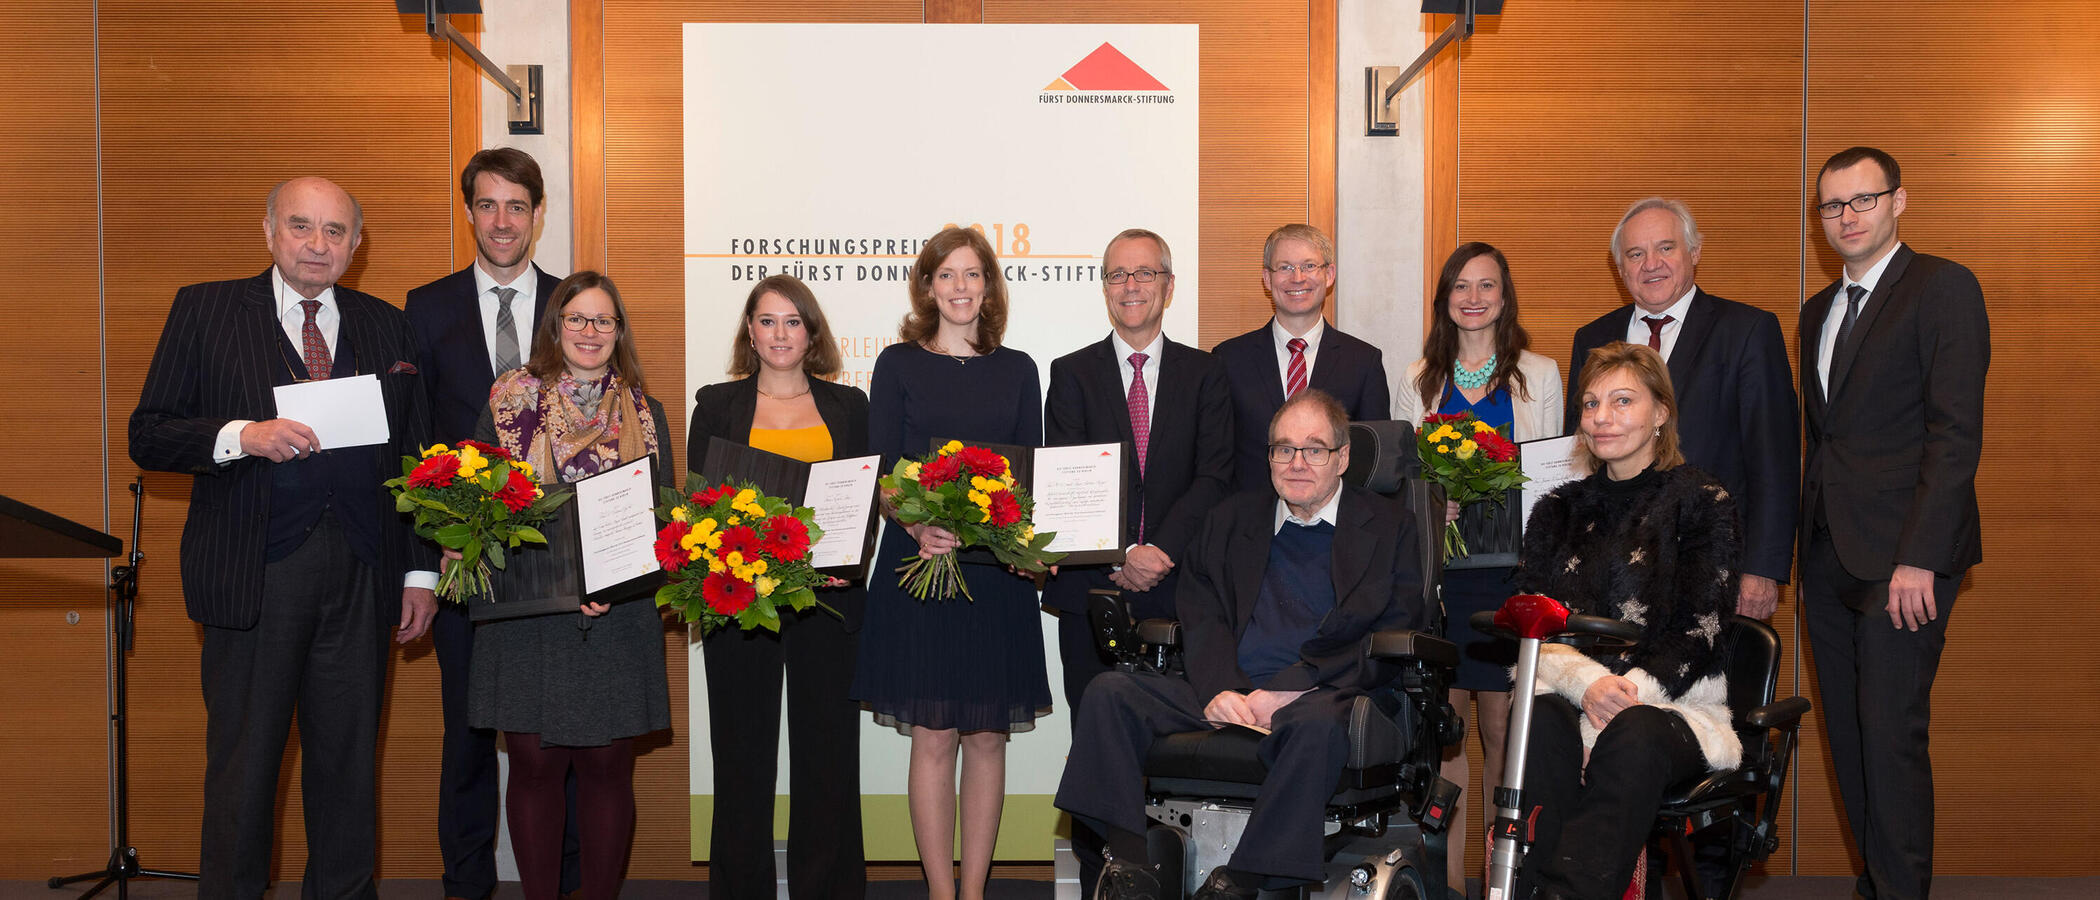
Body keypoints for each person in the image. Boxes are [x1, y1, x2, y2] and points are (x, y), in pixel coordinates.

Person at [127, 176, 438, 900]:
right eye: (302, 226)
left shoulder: (387, 324)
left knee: (347, 767)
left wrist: (420, 574)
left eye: (335, 232)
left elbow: (419, 459)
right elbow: (149, 432)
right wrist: (243, 435)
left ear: (356, 246)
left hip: (362, 574)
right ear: (269, 231)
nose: (317, 244)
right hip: (252, 573)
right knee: (245, 767)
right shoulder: (204, 309)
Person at [1055, 389, 1429, 900]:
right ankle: (1133, 867)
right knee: (1110, 693)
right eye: (1283, 449)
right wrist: (1219, 688)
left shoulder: (1389, 527)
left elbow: (1393, 626)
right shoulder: (1231, 519)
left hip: (1324, 693)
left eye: (1314, 449)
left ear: (1342, 458)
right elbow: (1200, 611)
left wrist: (1290, 690)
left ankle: (1243, 882)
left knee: (1317, 729)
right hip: (1225, 687)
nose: (1297, 463)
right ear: (1269, 456)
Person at [1801, 146, 1987, 900]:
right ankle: (1877, 883)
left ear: (1898, 202)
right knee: (1849, 743)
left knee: (1891, 739)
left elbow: (1955, 433)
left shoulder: (1942, 287)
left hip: (1904, 563)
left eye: (1862, 201)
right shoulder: (1818, 310)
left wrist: (1919, 558)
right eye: (1832, 206)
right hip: (1826, 558)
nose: (1846, 217)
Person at [849, 226, 1052, 900]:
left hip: (995, 579)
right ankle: (941, 893)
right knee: (933, 738)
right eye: (947, 275)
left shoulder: (1020, 368)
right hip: (921, 572)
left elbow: (1029, 481)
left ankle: (975, 893)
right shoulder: (898, 364)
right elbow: (881, 471)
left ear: (988, 287)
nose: (961, 287)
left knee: (988, 739)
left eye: (973, 275)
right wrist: (915, 519)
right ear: (928, 286)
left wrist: (1011, 536)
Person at [404, 146, 581, 900]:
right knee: (469, 738)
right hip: (462, 563)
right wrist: (426, 557)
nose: (502, 221)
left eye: (517, 206)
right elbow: (412, 441)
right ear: (469, 212)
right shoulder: (426, 307)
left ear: (539, 215)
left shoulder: (574, 306)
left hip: (555, 563)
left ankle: (568, 884)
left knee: (561, 737)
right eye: (487, 205)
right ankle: (465, 886)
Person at [467, 271, 673, 900]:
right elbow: (481, 503)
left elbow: (660, 514)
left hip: (619, 613)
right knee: (532, 768)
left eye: (603, 321)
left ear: (619, 332)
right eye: (577, 319)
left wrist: (622, 581)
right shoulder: (509, 398)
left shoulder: (644, 408)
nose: (590, 332)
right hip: (529, 611)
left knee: (608, 770)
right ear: (556, 326)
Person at [1511, 341, 1742, 900]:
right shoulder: (1556, 509)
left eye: (1622, 401)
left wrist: (1625, 694)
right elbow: (1530, 616)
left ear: (1661, 412)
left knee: (1632, 733)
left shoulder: (1702, 499)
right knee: (1536, 724)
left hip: (1671, 703)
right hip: (1570, 694)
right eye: (1591, 404)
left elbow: (1702, 626)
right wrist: (1588, 685)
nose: (1601, 418)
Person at [1042, 228, 1233, 896]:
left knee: (1179, 753)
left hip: (1183, 594)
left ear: (1169, 287)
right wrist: (1122, 552)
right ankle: (1108, 883)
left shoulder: (1207, 373)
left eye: (1145, 274)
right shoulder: (1069, 374)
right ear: (1104, 288)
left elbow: (1215, 477)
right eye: (1119, 275)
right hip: (1092, 592)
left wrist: (1160, 552)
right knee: (1097, 746)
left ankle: (1175, 874)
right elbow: (1067, 479)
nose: (1132, 286)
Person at [690, 274, 870, 899]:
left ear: (811, 331)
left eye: (793, 321)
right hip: (744, 607)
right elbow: (698, 506)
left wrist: (854, 554)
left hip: (828, 601)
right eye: (767, 321)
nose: (780, 334)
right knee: (742, 763)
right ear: (749, 331)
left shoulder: (849, 408)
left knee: (827, 764)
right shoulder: (717, 405)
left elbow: (864, 503)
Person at [1393, 242, 1562, 891]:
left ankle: (1503, 880)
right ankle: (1449, 884)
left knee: (1501, 729)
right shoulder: (1417, 378)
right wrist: (1438, 502)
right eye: (1460, 286)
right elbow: (1404, 481)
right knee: (1446, 732)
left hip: (1508, 573)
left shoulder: (1538, 374)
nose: (1473, 297)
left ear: (1503, 294)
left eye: (1485, 285)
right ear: (1445, 299)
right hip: (1443, 578)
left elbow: (1552, 474)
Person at [1566, 197, 1799, 620]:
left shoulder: (1747, 331)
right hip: (1612, 569)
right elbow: (1582, 453)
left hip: (1714, 564)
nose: (1651, 263)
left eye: (1666, 248)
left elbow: (1774, 460)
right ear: (1620, 268)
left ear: (1694, 252)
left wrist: (1762, 570)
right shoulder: (1593, 338)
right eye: (1635, 254)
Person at [1210, 224, 1390, 492]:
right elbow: (1217, 460)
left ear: (1329, 275)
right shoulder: (1227, 359)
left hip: (1336, 526)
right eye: (1284, 267)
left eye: (1308, 266)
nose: (1297, 278)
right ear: (1267, 279)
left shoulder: (1364, 362)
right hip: (1250, 524)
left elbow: (1375, 463)